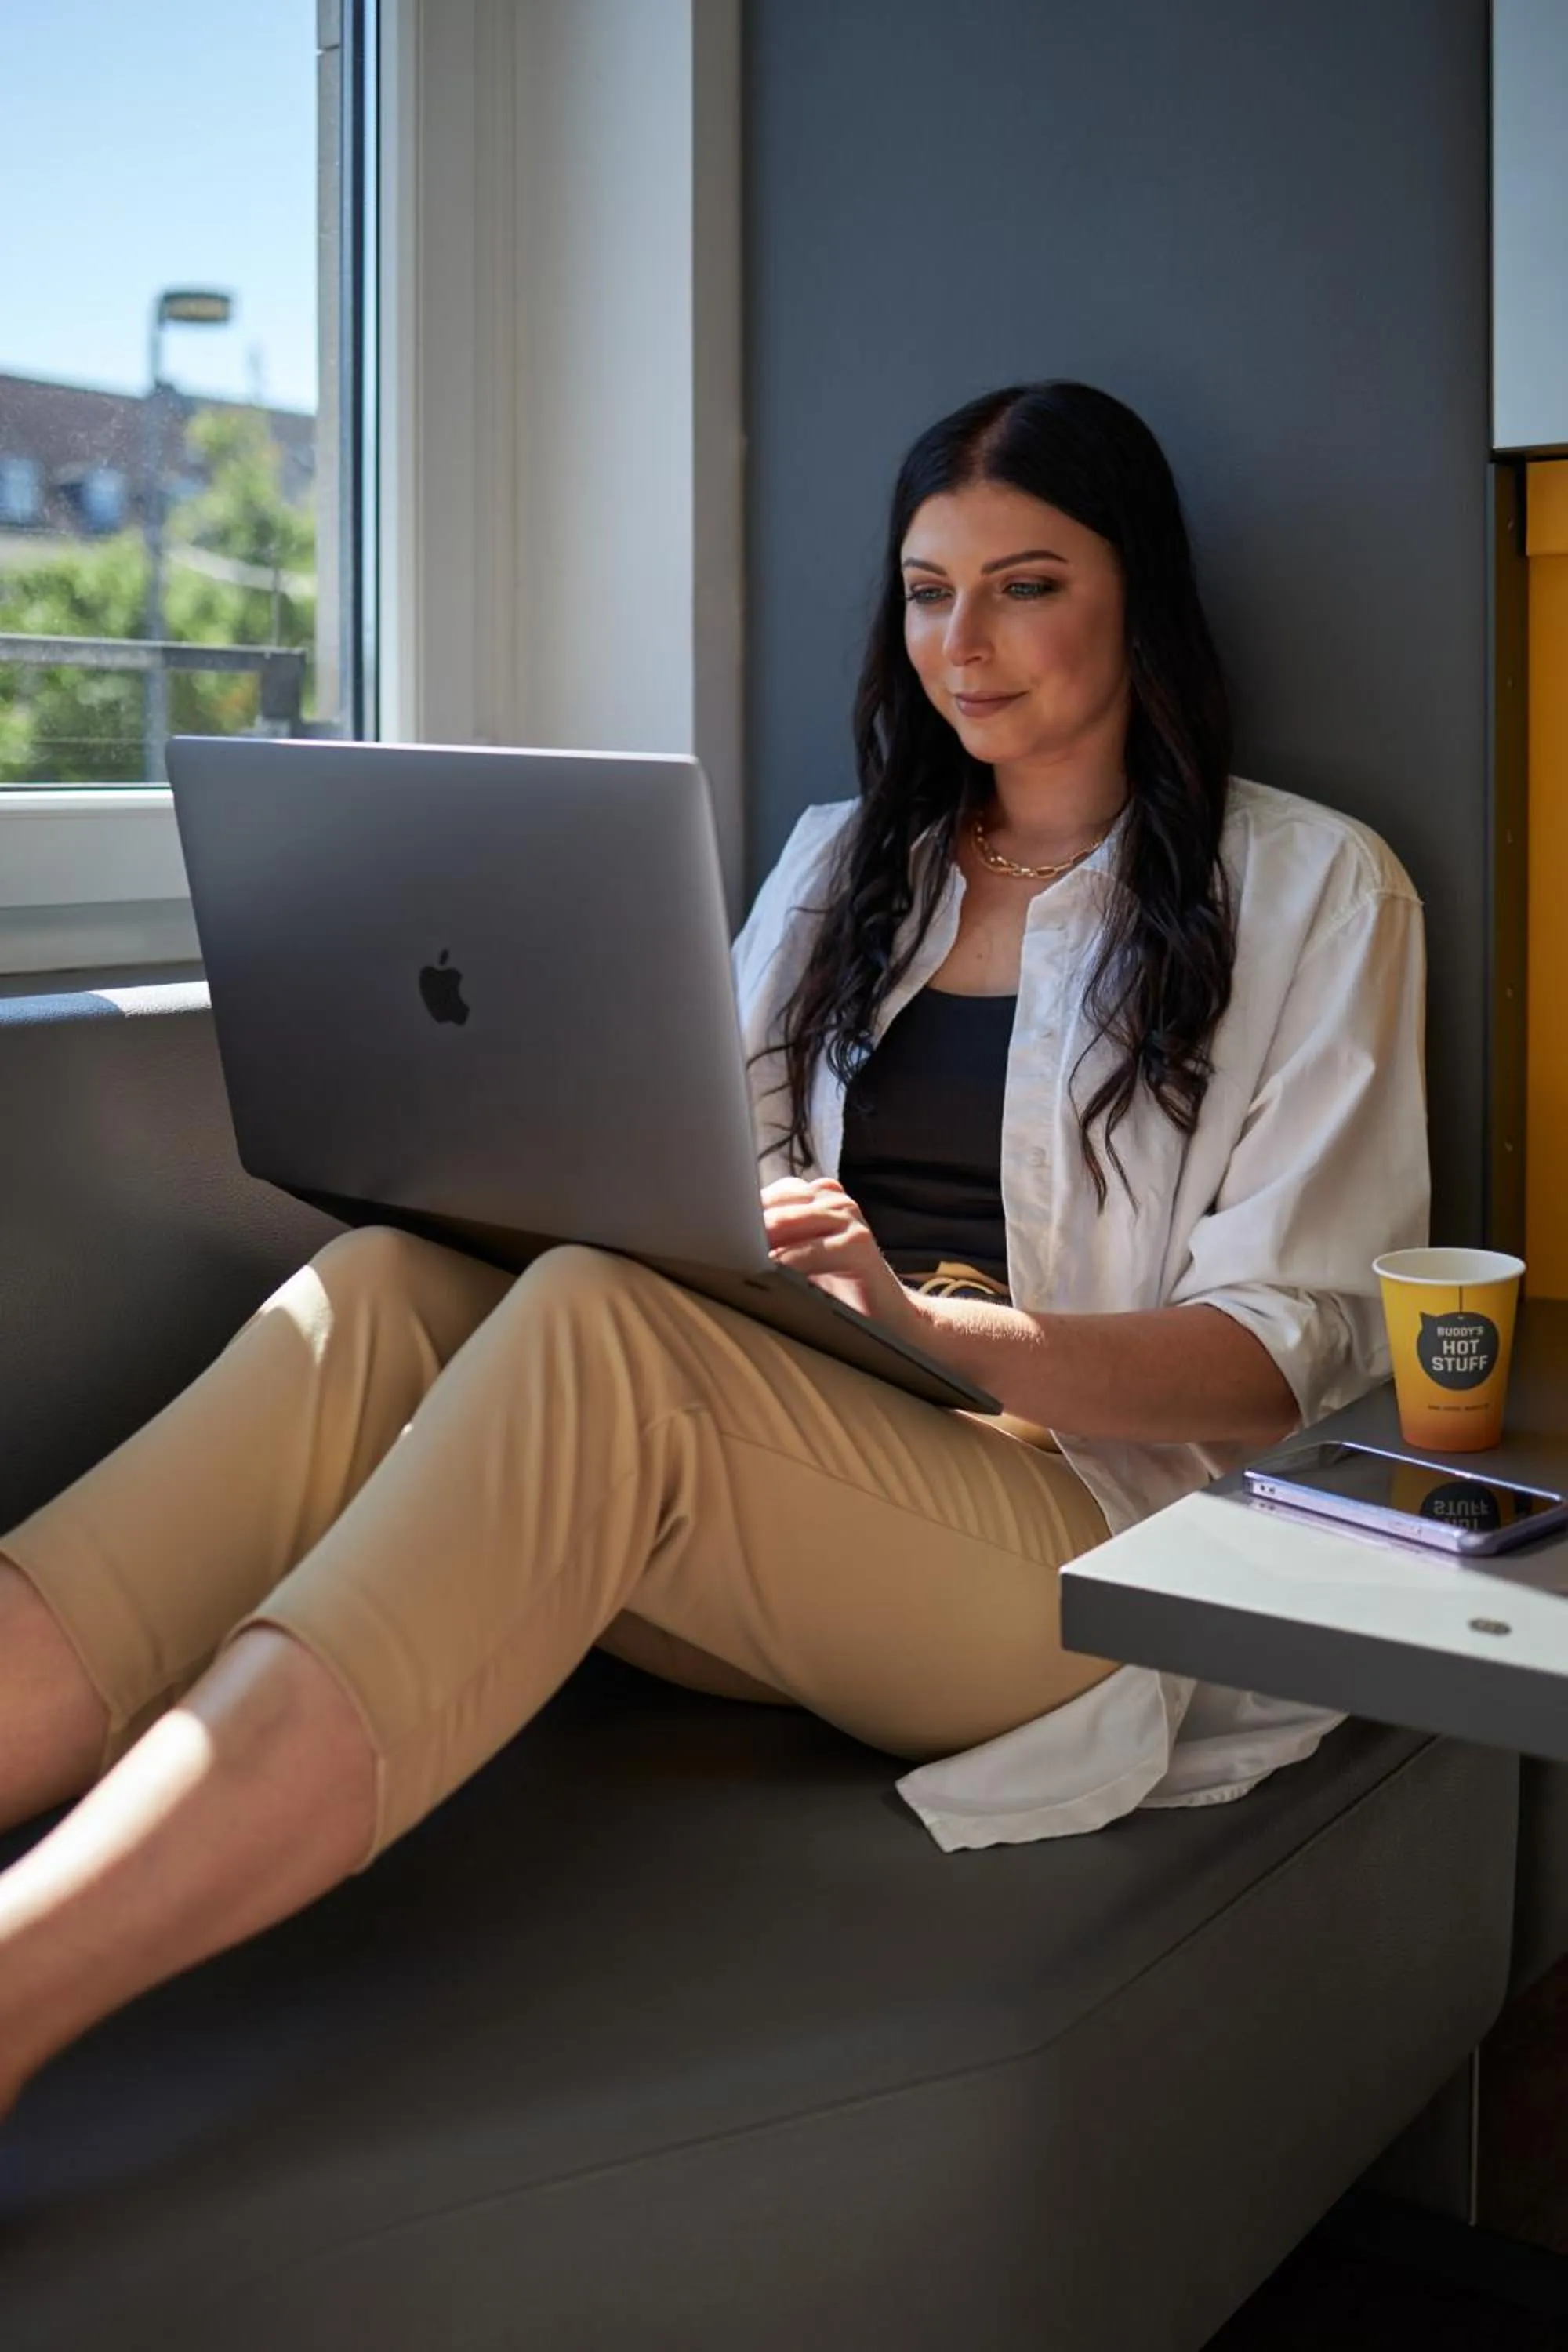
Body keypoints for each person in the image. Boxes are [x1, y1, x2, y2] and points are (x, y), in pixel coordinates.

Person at [0, 380, 1428, 2115]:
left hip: (1082, 1553)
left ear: (1141, 596)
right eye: (928, 590)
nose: (963, 642)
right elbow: (697, 1177)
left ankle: (17, 1992)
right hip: (790, 1475)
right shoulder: (845, 865)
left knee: (599, 1330)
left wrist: (932, 1328)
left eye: (1027, 585)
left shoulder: (1316, 889)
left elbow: (1285, 1354)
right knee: (386, 1291)